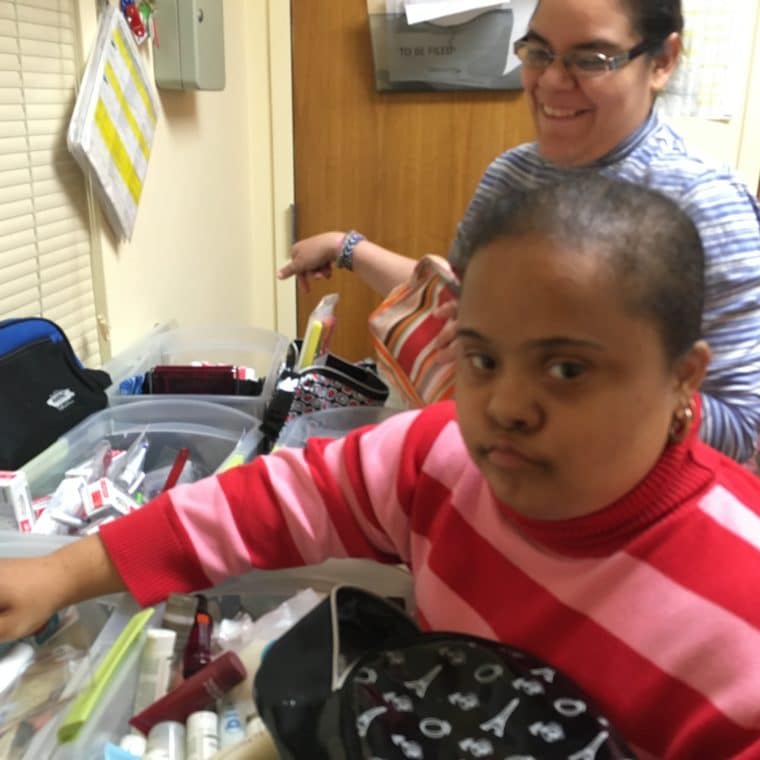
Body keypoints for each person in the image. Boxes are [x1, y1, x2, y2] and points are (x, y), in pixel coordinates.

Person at [2, 176, 760, 758]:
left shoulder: (740, 608)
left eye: (566, 370)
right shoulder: (441, 455)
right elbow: (270, 501)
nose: (506, 406)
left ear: (683, 378)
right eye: (483, 359)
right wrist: (63, 574)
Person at [278, 0, 760, 463]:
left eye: (589, 60)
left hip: (627, 530)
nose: (550, 81)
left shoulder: (707, 206)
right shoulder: (512, 176)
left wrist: (571, 369)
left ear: (662, 61)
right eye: (539, 52)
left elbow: (742, 427)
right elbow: (456, 304)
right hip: (494, 485)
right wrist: (349, 248)